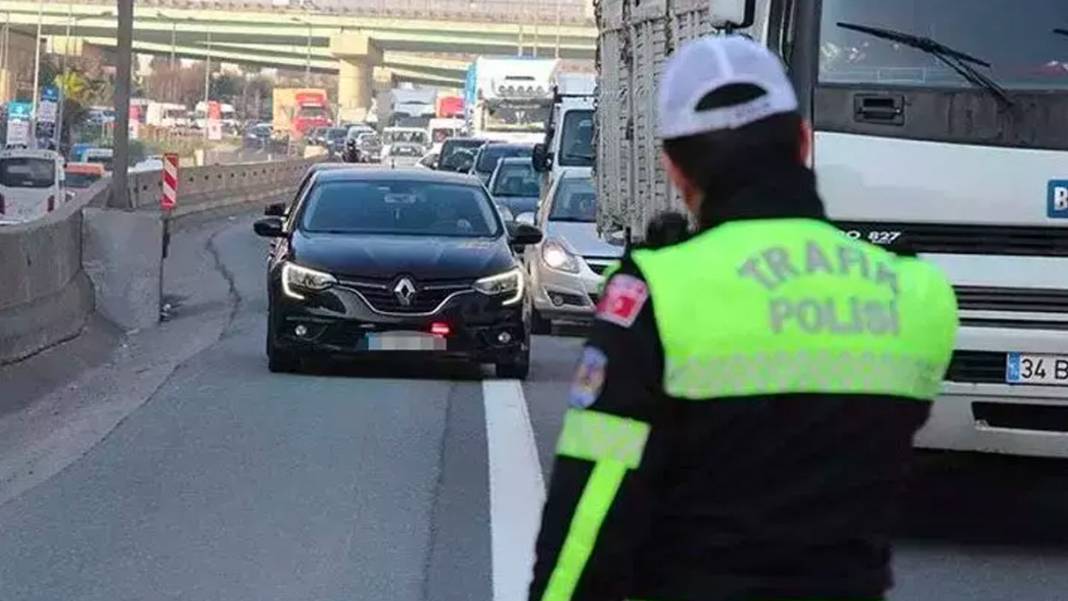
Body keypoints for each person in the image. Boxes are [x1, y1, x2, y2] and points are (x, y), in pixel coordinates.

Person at [527, 35, 959, 601]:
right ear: (802, 144)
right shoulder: (915, 294)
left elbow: (591, 512)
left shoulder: (660, 293)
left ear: (675, 170)